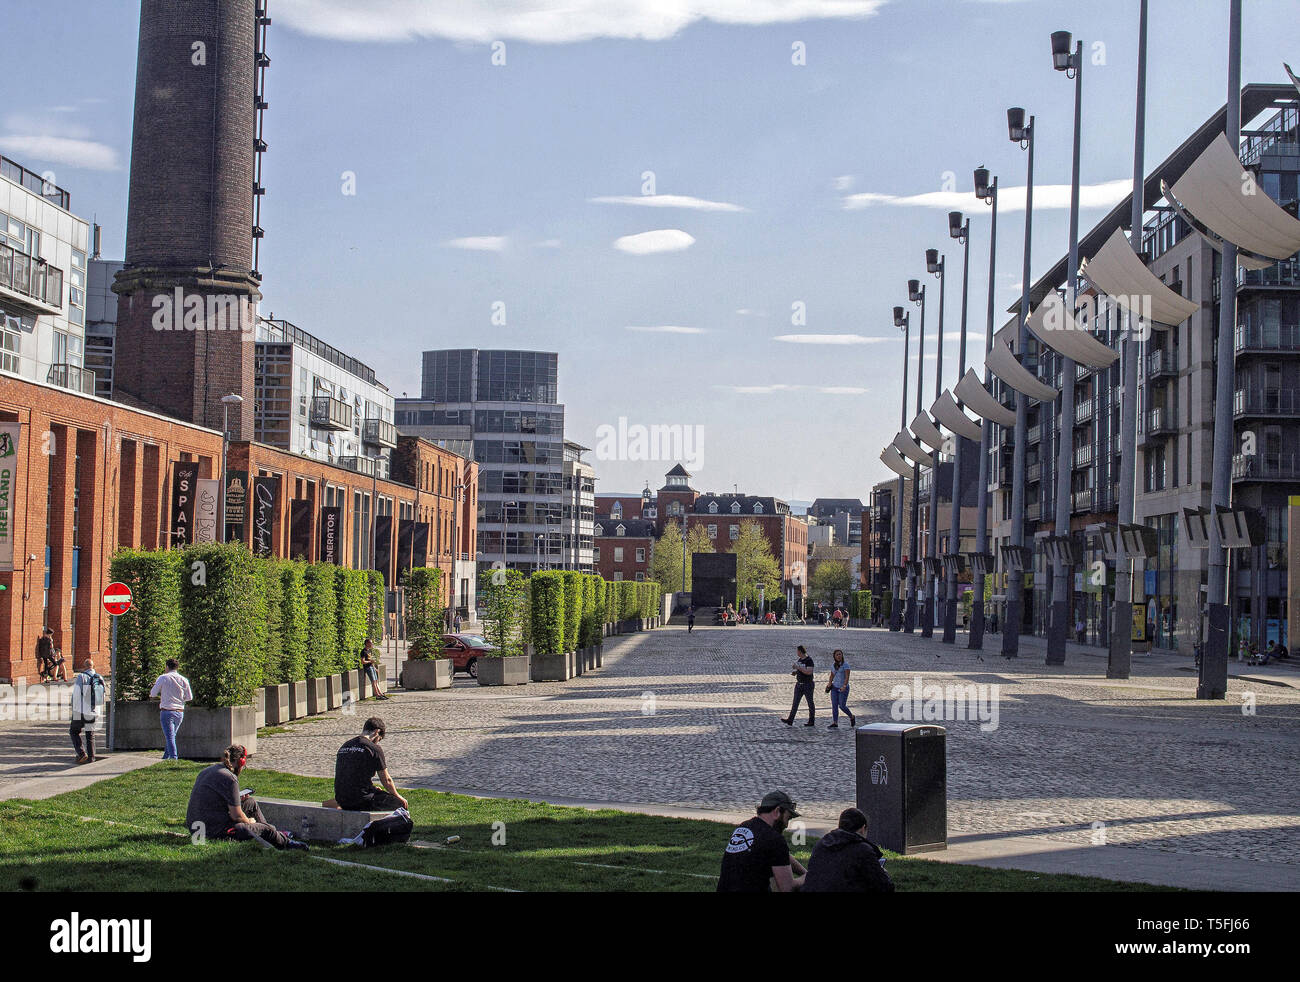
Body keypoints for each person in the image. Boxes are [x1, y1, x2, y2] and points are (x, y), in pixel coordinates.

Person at [185, 744, 307, 850]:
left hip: (196, 828)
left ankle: (270, 835)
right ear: (241, 763)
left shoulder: (208, 770)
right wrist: (249, 821)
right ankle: (284, 842)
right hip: (213, 832)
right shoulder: (230, 778)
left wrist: (238, 799)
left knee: (250, 802)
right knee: (266, 829)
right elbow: (236, 815)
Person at [716, 791, 806, 892]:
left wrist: (804, 872)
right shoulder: (774, 839)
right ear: (777, 811)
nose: (786, 825)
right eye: (788, 818)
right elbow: (787, 887)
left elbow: (781, 856)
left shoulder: (744, 827)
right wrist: (808, 877)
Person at [802, 808, 894, 893]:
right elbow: (885, 886)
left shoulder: (821, 845)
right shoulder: (862, 850)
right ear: (863, 829)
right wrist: (884, 873)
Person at [335, 717, 408, 812]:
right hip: (361, 800)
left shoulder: (345, 746)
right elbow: (387, 780)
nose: (377, 742)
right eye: (379, 739)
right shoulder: (373, 748)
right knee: (398, 804)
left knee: (377, 793)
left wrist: (372, 788)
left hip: (342, 799)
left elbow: (352, 774)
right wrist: (398, 796)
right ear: (377, 732)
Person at [149, 658, 193, 760]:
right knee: (172, 735)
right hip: (180, 711)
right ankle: (166, 756)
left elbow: (153, 693)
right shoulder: (183, 679)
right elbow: (190, 697)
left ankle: (174, 758)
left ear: (167, 667)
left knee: (169, 737)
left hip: (167, 711)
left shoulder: (163, 678)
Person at [69, 656, 106, 765]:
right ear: (93, 666)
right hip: (94, 711)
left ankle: (81, 754)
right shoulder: (100, 678)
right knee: (90, 735)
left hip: (80, 711)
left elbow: (76, 694)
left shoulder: (82, 677)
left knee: (74, 731)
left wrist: (73, 706)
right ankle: (91, 758)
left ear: (84, 667)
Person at [782, 645, 816, 727]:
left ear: (800, 651)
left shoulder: (809, 660)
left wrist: (799, 668)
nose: (797, 653)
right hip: (799, 684)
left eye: (797, 651)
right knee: (795, 703)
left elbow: (809, 672)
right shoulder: (800, 660)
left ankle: (811, 721)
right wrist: (796, 672)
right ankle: (790, 719)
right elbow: (800, 669)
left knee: (810, 703)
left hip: (808, 684)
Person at [826, 649, 856, 729]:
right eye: (837, 655)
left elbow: (847, 677)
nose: (839, 656)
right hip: (835, 688)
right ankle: (835, 722)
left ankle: (851, 716)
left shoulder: (845, 665)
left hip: (843, 688)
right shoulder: (833, 665)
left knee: (842, 706)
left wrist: (844, 686)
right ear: (834, 657)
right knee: (834, 705)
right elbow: (832, 675)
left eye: (840, 654)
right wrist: (829, 684)